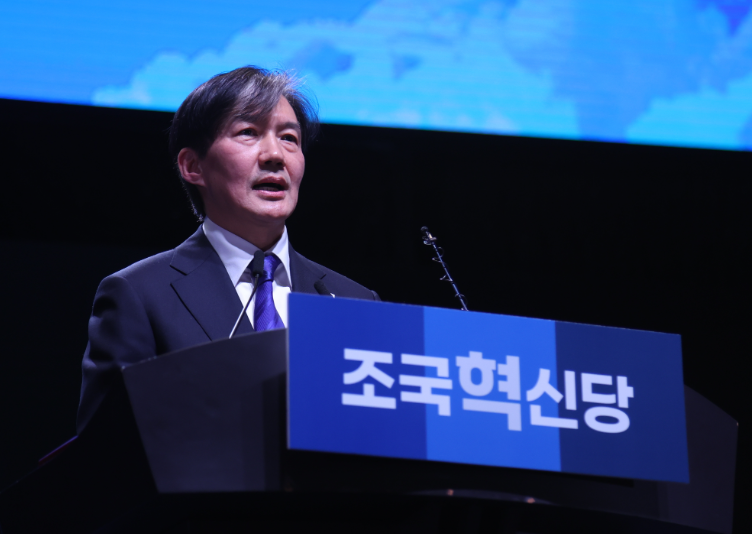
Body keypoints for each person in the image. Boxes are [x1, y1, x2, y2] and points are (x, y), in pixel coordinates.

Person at [77, 66, 379, 434]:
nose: (275, 155)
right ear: (193, 166)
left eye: (289, 138)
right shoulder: (140, 296)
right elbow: (106, 449)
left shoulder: (355, 302)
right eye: (248, 133)